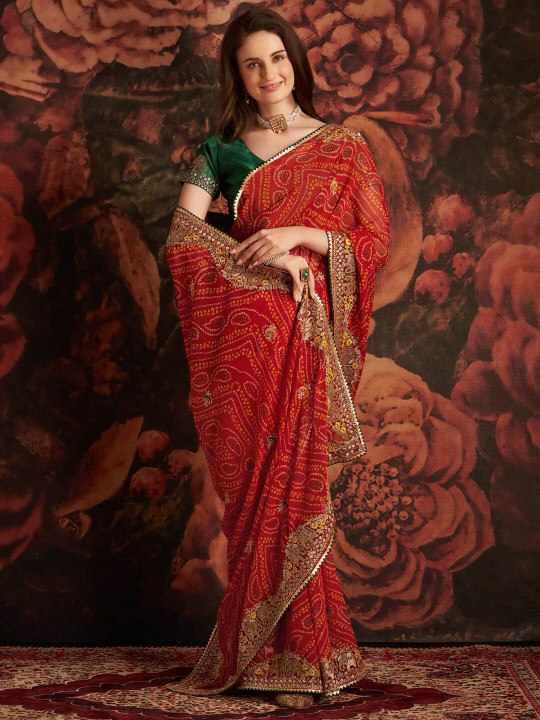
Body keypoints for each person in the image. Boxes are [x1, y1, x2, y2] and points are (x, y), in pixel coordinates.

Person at [164, 3, 390, 709]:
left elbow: (372, 244)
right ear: (237, 75)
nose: (268, 74)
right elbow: (182, 237)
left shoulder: (343, 148)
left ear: (295, 62)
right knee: (256, 495)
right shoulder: (221, 151)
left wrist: (300, 237)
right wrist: (265, 263)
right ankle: (268, 656)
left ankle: (307, 655)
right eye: (252, 64)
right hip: (245, 351)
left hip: (306, 341)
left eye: (277, 58)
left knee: (297, 493)